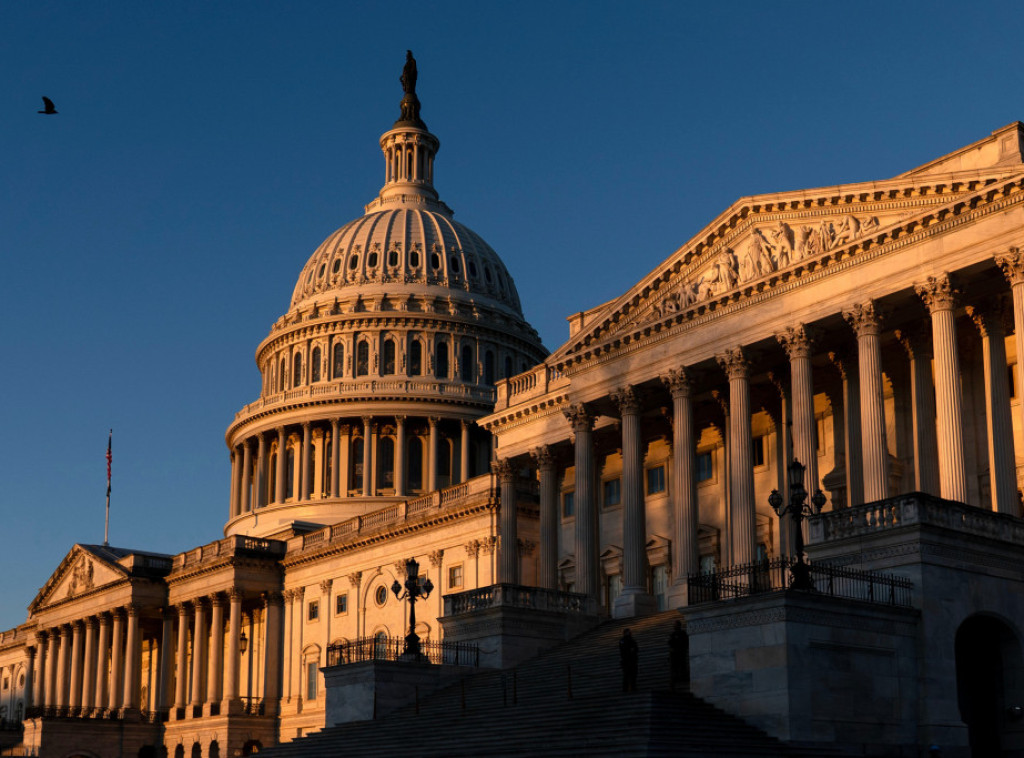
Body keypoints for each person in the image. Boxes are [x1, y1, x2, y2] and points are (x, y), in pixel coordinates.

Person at [667, 620, 687, 691]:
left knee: (681, 667)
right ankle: (673, 683)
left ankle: (681, 678)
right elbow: (670, 643)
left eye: (675, 625)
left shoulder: (683, 633)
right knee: (673, 669)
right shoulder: (673, 634)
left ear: (679, 625)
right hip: (674, 655)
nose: (674, 626)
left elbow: (685, 643)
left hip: (681, 653)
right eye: (674, 625)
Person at [619, 628, 639, 692]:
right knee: (627, 675)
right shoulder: (623, 640)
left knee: (632, 674)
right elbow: (624, 649)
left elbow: (636, 648)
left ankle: (632, 687)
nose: (630, 633)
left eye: (629, 632)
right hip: (627, 660)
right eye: (628, 632)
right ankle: (627, 688)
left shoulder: (631, 640)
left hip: (631, 660)